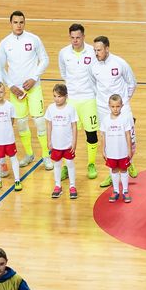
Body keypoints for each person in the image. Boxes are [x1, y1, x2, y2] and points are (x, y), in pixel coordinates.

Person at [0, 11, 50, 171]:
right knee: (21, 123)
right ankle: (29, 154)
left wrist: (34, 77)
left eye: (21, 22)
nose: (19, 25)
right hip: (16, 92)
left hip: (34, 88)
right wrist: (10, 85)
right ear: (11, 23)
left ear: (24, 23)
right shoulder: (5, 43)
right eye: (15, 22)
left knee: (40, 121)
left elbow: (45, 59)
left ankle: (46, 155)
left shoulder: (33, 39)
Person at [91, 36, 138, 188]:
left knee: (129, 137)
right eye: (94, 50)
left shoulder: (120, 63)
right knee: (108, 140)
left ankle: (128, 162)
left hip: (122, 107)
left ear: (107, 49)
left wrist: (124, 101)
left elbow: (131, 82)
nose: (96, 53)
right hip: (103, 108)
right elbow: (93, 85)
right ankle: (111, 175)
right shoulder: (92, 66)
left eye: (99, 50)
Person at [58, 23, 100, 180]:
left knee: (91, 133)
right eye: (72, 38)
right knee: (67, 134)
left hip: (89, 99)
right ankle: (66, 166)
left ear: (84, 36)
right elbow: (64, 73)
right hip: (72, 100)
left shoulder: (92, 51)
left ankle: (91, 164)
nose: (75, 40)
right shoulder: (63, 53)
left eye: (78, 37)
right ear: (69, 37)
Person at [45, 83, 78, 200]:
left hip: (68, 144)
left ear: (66, 96)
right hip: (56, 144)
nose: (57, 99)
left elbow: (74, 126)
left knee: (69, 164)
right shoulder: (50, 108)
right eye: (54, 96)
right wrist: (48, 140)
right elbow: (49, 125)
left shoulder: (70, 109)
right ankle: (57, 185)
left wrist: (74, 142)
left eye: (59, 96)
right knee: (57, 165)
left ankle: (72, 186)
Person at [101, 94, 134, 203]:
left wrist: (129, 149)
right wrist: (103, 149)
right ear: (109, 106)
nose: (115, 109)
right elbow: (103, 136)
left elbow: (128, 135)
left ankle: (125, 190)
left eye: (118, 106)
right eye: (113, 106)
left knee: (124, 170)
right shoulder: (105, 120)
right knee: (114, 170)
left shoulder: (125, 119)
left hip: (123, 151)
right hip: (111, 152)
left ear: (122, 106)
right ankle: (116, 191)